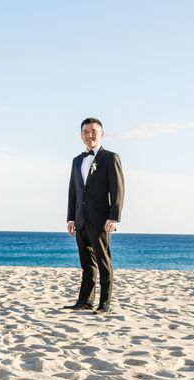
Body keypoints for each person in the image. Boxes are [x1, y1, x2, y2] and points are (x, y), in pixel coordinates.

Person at [65, 117, 124, 314]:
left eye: (93, 131)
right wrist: (71, 218)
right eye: (86, 131)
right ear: (81, 135)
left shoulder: (110, 158)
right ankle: (85, 301)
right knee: (87, 264)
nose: (90, 135)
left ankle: (104, 303)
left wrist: (114, 217)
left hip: (101, 220)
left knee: (103, 262)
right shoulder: (76, 161)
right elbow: (73, 191)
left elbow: (118, 189)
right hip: (80, 220)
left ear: (102, 134)